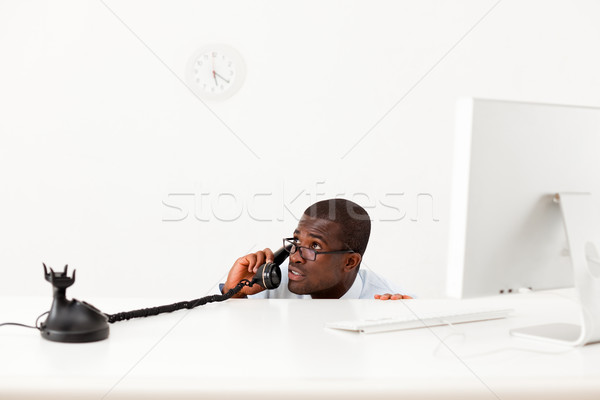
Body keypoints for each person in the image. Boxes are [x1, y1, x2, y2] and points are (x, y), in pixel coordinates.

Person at [220, 198, 413, 300]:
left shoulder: (384, 300)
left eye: (315, 245)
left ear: (349, 262)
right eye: (296, 241)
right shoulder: (272, 283)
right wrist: (235, 291)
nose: (295, 257)